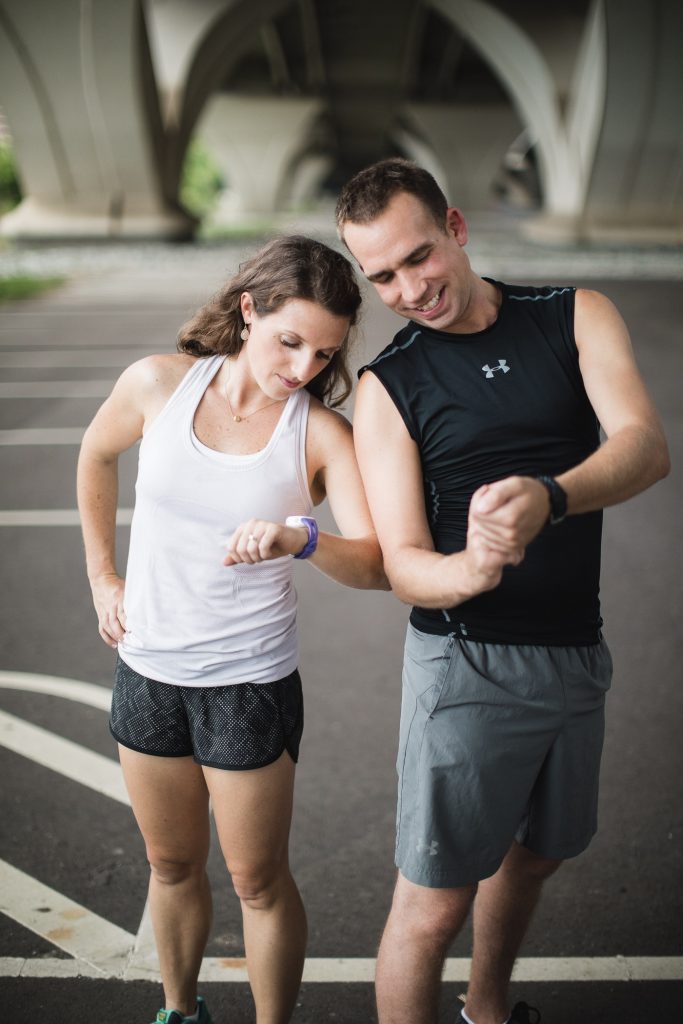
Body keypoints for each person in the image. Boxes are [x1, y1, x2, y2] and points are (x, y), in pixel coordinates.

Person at [335, 159, 670, 1024]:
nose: (408, 289)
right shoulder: (389, 388)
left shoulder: (572, 314)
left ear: (455, 225)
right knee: (431, 905)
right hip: (467, 667)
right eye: (382, 278)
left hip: (575, 654)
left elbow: (642, 445)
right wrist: (472, 570)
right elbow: (402, 561)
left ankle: (486, 1010)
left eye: (418, 258)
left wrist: (550, 496)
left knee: (535, 856)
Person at [77, 234, 387, 1024]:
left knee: (257, 881)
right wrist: (102, 577)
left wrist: (302, 537)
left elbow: (375, 563)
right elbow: (94, 453)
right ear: (248, 311)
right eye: (290, 341)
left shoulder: (318, 433)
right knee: (171, 863)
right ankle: (181, 1011)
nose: (303, 367)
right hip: (148, 670)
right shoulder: (158, 385)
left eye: (323, 353)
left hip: (247, 684)